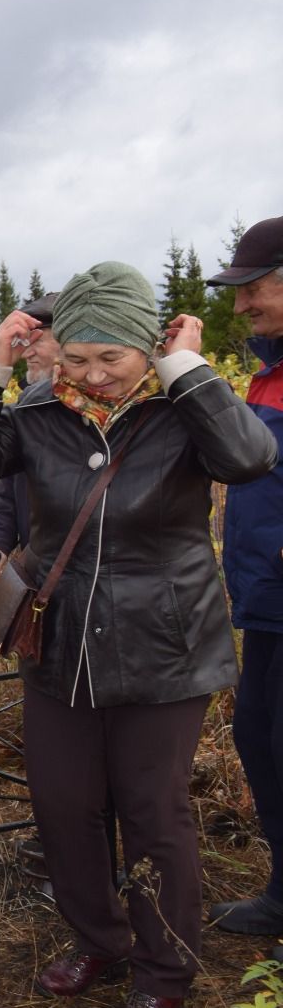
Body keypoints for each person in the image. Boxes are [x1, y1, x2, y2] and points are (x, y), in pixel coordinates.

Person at [0, 261, 276, 1008]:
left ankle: (164, 974)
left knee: (153, 813)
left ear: (146, 350)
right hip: (59, 643)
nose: (91, 376)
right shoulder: (36, 411)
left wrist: (186, 366)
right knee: (64, 804)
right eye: (76, 359)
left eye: (111, 359)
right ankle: (103, 938)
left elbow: (251, 459)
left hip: (165, 644)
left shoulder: (184, 409)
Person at [204, 215, 283, 937]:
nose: (240, 306)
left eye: (252, 288)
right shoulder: (266, 375)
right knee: (259, 737)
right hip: (265, 599)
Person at [0, 292, 58, 584]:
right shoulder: (26, 412)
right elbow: (8, 492)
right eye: (24, 342)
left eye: (37, 341)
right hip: (39, 576)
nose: (26, 353)